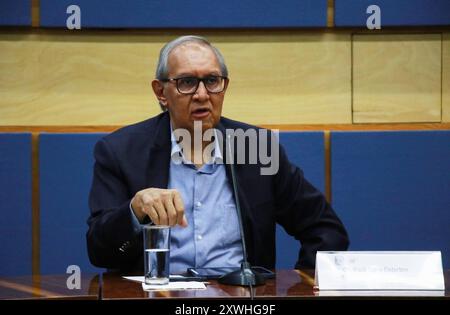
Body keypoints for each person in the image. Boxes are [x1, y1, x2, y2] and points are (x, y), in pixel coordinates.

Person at [87, 35, 349, 274]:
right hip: (160, 294)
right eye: (187, 82)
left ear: (224, 86)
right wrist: (134, 212)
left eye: (212, 81)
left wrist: (295, 286)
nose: (202, 95)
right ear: (161, 92)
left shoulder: (256, 148)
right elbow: (99, 251)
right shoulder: (121, 151)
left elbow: (326, 231)